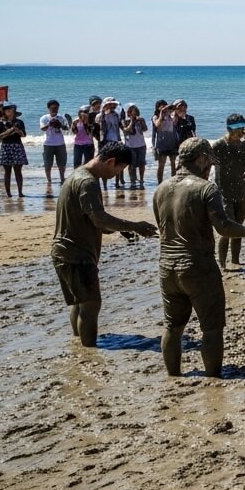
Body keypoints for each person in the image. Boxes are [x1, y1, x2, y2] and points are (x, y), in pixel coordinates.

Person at [154, 137, 245, 378]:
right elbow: (223, 227)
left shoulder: (161, 189)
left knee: (173, 327)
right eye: (209, 164)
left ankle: (173, 377)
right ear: (202, 158)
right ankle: (213, 378)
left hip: (167, 267)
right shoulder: (206, 188)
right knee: (212, 328)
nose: (210, 169)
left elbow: (163, 228)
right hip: (198, 266)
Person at [51, 142, 159, 347]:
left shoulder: (77, 175)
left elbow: (91, 219)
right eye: (121, 169)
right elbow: (99, 219)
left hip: (65, 252)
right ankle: (89, 350)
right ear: (111, 161)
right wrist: (135, 226)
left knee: (80, 302)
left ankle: (78, 345)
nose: (119, 173)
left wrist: (118, 228)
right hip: (76, 254)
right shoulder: (88, 182)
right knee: (91, 304)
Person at [212, 114, 245, 268]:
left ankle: (236, 261)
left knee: (240, 227)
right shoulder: (218, 146)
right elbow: (203, 166)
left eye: (243, 128)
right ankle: (222, 265)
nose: (242, 132)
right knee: (227, 229)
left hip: (242, 193)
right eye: (238, 129)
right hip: (224, 194)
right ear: (229, 129)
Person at [0, 103, 27, 199]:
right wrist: (10, 130)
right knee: (7, 171)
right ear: (5, 112)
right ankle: (8, 194)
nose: (10, 112)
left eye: (12, 111)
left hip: (17, 146)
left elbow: (23, 135)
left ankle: (20, 192)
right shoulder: (0, 123)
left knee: (18, 171)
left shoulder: (19, 122)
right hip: (6, 146)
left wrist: (17, 130)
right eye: (8, 111)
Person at [40, 99, 69, 195]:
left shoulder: (61, 117)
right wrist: (50, 124)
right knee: (48, 163)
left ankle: (62, 178)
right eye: (52, 108)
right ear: (49, 108)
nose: (54, 110)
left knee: (62, 163)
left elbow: (66, 128)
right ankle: (49, 179)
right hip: (48, 143)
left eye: (56, 108)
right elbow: (42, 128)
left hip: (60, 143)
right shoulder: (44, 118)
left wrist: (60, 125)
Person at [121, 103, 149, 189]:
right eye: (132, 112)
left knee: (142, 164)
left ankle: (141, 179)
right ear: (128, 112)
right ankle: (132, 181)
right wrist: (132, 121)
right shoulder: (125, 121)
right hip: (130, 146)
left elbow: (145, 129)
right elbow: (126, 130)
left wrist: (141, 122)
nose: (134, 114)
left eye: (135, 112)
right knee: (132, 165)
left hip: (141, 145)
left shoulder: (140, 120)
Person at [152, 100, 181, 184]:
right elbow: (157, 124)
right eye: (163, 106)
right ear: (158, 107)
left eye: (165, 106)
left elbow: (175, 123)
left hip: (171, 143)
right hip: (161, 144)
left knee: (173, 164)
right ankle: (159, 183)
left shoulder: (170, 116)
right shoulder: (155, 116)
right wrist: (161, 113)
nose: (165, 107)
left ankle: (173, 182)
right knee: (161, 165)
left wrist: (175, 110)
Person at [72, 106, 97, 170]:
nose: (83, 114)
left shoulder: (91, 121)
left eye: (85, 112)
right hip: (78, 144)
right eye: (82, 112)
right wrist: (74, 126)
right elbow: (75, 132)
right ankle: (76, 177)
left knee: (88, 162)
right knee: (77, 162)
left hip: (88, 144)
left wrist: (86, 124)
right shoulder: (76, 121)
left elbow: (88, 133)